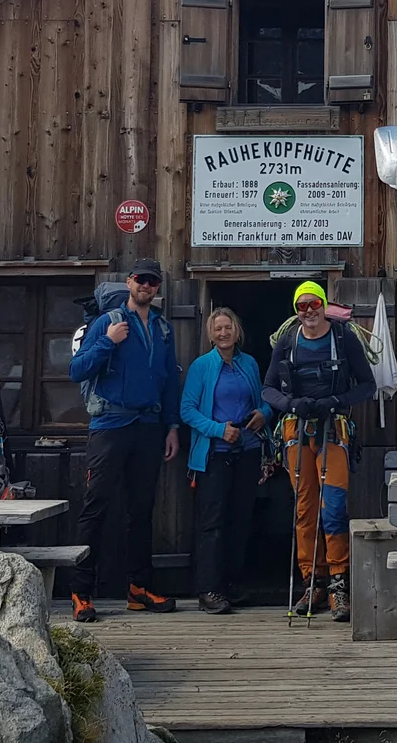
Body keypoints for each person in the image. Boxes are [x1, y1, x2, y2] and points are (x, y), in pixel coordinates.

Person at [66, 259, 184, 622]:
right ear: (129, 282)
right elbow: (77, 370)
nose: (146, 285)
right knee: (95, 508)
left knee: (141, 511)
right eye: (141, 279)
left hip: (148, 427)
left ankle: (138, 589)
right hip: (110, 426)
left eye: (153, 281)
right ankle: (81, 592)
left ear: (158, 287)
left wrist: (172, 426)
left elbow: (169, 380)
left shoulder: (163, 329)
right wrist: (108, 341)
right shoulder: (108, 322)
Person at [262, 280, 375, 622]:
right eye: (302, 305)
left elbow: (367, 385)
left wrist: (335, 401)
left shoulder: (344, 339)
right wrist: (291, 404)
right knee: (304, 509)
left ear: (324, 306)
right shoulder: (288, 341)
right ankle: (314, 581)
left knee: (334, 507)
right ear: (296, 310)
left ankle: (339, 583)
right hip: (297, 431)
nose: (309, 311)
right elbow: (268, 389)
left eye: (314, 304)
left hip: (334, 428)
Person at [180, 306, 269, 614]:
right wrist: (219, 430)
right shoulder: (202, 366)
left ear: (236, 330)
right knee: (212, 524)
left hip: (247, 451)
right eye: (217, 328)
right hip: (214, 455)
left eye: (228, 327)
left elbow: (264, 401)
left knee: (240, 522)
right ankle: (208, 589)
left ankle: (231, 585)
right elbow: (187, 409)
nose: (223, 333)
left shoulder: (249, 364)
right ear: (210, 333)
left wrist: (264, 414)